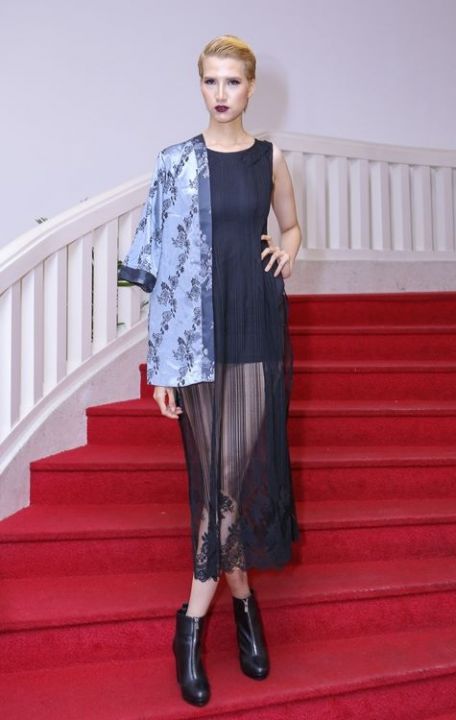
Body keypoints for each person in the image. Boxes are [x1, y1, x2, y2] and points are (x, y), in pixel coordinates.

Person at [119, 34, 302, 707]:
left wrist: (289, 249)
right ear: (200, 86)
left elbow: (291, 227)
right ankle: (232, 610)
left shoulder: (269, 158)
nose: (221, 93)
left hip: (253, 327)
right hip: (195, 338)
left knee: (227, 478)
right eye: (211, 81)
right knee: (219, 483)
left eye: (233, 81)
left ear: (251, 87)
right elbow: (161, 272)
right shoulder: (176, 163)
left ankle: (196, 623)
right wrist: (160, 368)